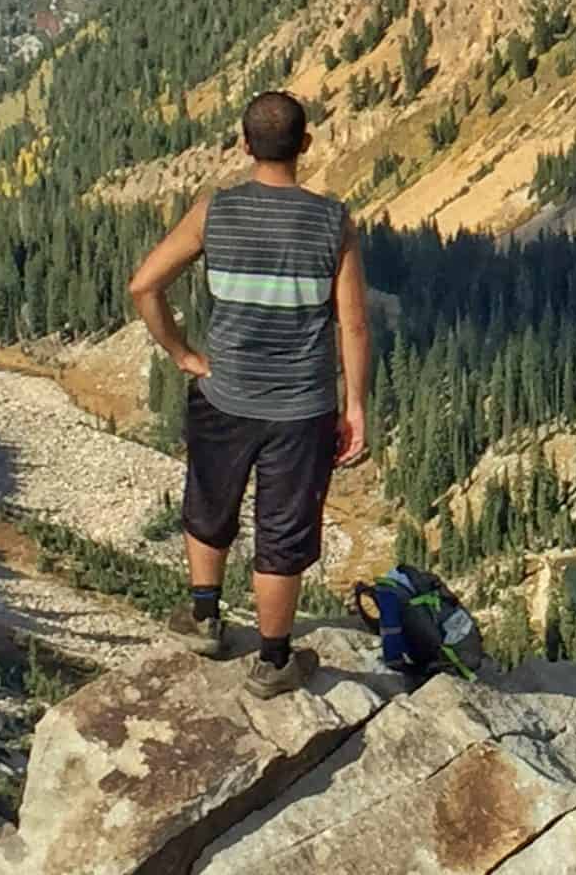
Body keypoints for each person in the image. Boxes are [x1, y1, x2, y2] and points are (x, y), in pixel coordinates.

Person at [128, 89, 371, 697]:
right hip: (302, 407)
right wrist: (357, 406)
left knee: (211, 502)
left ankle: (205, 617)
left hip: (224, 393)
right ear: (305, 145)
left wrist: (184, 355)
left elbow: (144, 286)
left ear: (243, 145)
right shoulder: (332, 221)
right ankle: (273, 660)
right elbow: (354, 324)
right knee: (283, 530)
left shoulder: (214, 211)